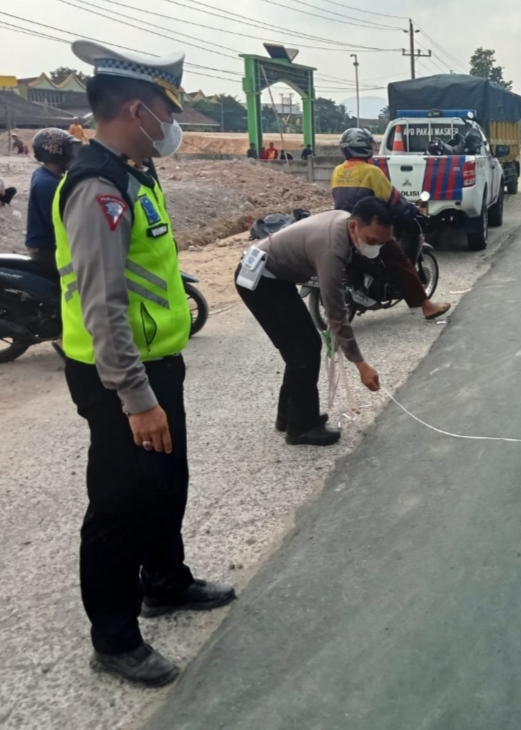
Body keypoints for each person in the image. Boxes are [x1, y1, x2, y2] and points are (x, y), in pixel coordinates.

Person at [54, 39, 234, 687]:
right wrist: (136, 397)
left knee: (165, 482)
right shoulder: (97, 187)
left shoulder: (135, 171)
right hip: (117, 378)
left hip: (157, 362)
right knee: (119, 503)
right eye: (168, 108)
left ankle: (164, 581)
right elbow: (102, 306)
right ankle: (114, 637)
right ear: (139, 109)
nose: (174, 123)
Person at [234, 197, 391, 445]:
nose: (374, 247)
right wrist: (361, 364)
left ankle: (290, 415)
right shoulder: (331, 249)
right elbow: (336, 314)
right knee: (303, 350)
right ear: (354, 227)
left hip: (274, 276)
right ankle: (300, 428)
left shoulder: (344, 220)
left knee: (303, 347)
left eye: (381, 242)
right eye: (371, 240)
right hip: (259, 282)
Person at [331, 127, 450, 320]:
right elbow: (394, 201)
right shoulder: (372, 172)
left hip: (343, 227)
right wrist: (412, 211)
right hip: (367, 230)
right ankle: (427, 306)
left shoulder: (338, 171)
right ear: (364, 148)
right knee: (399, 260)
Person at [25, 128, 78, 274]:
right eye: (69, 150)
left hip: (46, 245)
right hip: (47, 249)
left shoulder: (45, 174)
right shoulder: (47, 184)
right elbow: (57, 221)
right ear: (59, 152)